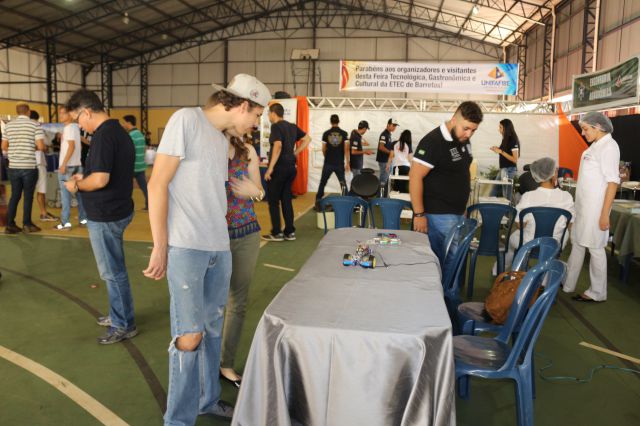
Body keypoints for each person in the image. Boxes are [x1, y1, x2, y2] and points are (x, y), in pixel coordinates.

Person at [143, 73, 271, 425]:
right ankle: (178, 420)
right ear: (243, 105)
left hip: (220, 247)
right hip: (187, 247)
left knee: (212, 328)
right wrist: (160, 245)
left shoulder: (220, 139)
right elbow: (157, 184)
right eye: (256, 115)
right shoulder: (186, 120)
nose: (256, 123)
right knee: (190, 335)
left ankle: (207, 400)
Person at [63, 89, 136, 344]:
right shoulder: (117, 132)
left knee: (112, 273)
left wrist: (76, 185)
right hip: (117, 208)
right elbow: (105, 172)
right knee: (115, 270)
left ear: (86, 112)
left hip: (106, 214)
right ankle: (120, 314)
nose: (79, 126)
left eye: (78, 120)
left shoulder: (104, 136)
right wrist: (85, 177)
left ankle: (123, 324)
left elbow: (101, 180)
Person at [409, 101, 483, 268]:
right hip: (437, 213)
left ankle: (448, 286)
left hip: (457, 213)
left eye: (473, 130)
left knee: (453, 260)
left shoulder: (464, 140)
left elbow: (461, 172)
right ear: (454, 120)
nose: (469, 134)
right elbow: (414, 177)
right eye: (466, 128)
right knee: (445, 261)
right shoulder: (433, 141)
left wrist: (462, 207)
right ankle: (445, 287)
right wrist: (419, 214)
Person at [219, 135, 264, 389]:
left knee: (237, 303)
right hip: (213, 236)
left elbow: (259, 190)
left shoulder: (247, 151)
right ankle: (205, 361)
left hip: (247, 233)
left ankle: (225, 363)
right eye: (252, 117)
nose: (253, 123)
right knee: (212, 304)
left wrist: (255, 192)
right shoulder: (207, 147)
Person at [563, 112, 620, 302]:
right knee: (578, 244)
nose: (583, 133)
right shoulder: (596, 145)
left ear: (598, 127)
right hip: (584, 208)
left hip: (595, 210)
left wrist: (604, 215)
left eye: (586, 129)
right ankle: (568, 282)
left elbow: (613, 183)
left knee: (595, 249)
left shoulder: (609, 147)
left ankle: (597, 292)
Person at [501, 157, 575, 271]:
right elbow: (570, 224)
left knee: (512, 240)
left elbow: (520, 225)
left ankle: (501, 269)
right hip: (555, 244)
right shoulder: (567, 197)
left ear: (537, 175)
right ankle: (545, 273)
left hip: (530, 244)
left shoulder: (528, 196)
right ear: (554, 173)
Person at [262, 102, 311, 242]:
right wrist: (295, 153)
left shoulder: (276, 126)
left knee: (273, 201)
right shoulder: (292, 126)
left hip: (279, 168)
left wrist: (270, 168)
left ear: (273, 113)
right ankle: (290, 232)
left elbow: (278, 145)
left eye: (269, 113)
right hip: (290, 168)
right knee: (286, 200)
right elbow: (307, 139)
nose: (268, 116)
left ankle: (277, 233)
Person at [1, 102, 45, 234]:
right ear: (28, 112)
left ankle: (10, 225)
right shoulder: (35, 125)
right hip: (29, 166)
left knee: (15, 196)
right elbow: (41, 146)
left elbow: (3, 146)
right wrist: (30, 147)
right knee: (28, 196)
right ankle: (27, 224)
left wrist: (15, 148)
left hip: (13, 166)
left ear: (17, 112)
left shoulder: (9, 126)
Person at [56, 105, 87, 230]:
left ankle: (65, 223)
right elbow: (79, 145)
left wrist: (63, 164)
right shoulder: (75, 127)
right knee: (80, 195)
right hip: (77, 165)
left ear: (70, 115)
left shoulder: (69, 128)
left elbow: (72, 146)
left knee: (65, 195)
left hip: (68, 166)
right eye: (60, 113)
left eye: (63, 113)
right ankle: (83, 220)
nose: (60, 115)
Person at [29, 110, 57, 223]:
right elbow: (46, 144)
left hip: (25, 163)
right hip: (38, 162)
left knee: (25, 192)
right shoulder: (37, 127)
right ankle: (43, 213)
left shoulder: (22, 129)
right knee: (41, 189)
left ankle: (27, 219)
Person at [316, 114, 350, 204]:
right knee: (343, 183)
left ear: (331, 122)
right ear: (338, 121)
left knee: (323, 182)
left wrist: (327, 157)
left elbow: (323, 149)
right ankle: (347, 201)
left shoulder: (326, 133)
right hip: (339, 163)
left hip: (328, 162)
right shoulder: (344, 133)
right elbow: (346, 149)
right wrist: (347, 163)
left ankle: (318, 201)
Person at [121, 115, 149, 210]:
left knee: (125, 188)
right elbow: (144, 149)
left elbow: (127, 152)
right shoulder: (140, 134)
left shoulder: (130, 136)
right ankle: (149, 205)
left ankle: (125, 207)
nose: (123, 125)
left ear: (128, 123)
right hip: (141, 166)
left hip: (131, 167)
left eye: (124, 122)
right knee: (144, 188)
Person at [490, 118, 520, 200]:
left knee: (506, 195)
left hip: (508, 170)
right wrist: (497, 149)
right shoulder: (505, 139)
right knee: (494, 191)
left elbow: (515, 159)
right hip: (503, 169)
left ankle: (508, 208)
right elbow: (504, 152)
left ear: (506, 128)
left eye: (500, 127)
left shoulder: (513, 140)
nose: (498, 129)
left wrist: (500, 151)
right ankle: (489, 206)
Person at [376, 118, 398, 193]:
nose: (394, 127)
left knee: (387, 179)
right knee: (384, 179)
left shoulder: (388, 134)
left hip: (387, 160)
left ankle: (384, 195)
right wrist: (390, 153)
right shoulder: (384, 134)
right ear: (388, 125)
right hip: (384, 160)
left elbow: (387, 146)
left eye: (395, 126)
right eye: (393, 125)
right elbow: (381, 147)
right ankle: (380, 196)